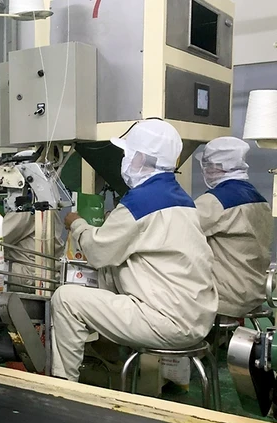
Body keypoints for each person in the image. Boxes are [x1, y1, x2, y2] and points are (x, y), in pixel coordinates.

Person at [49, 119, 217, 381]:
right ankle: (109, 364)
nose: (125, 160)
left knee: (66, 299)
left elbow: (98, 252)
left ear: (140, 158)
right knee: (110, 280)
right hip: (197, 318)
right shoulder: (182, 199)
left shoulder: (141, 201)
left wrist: (77, 224)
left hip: (166, 321)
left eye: (128, 154)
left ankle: (64, 389)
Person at [195, 137, 273, 317]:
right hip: (255, 290)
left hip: (227, 295)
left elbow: (179, 231)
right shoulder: (259, 199)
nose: (206, 170)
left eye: (208, 165)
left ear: (217, 166)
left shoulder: (216, 201)